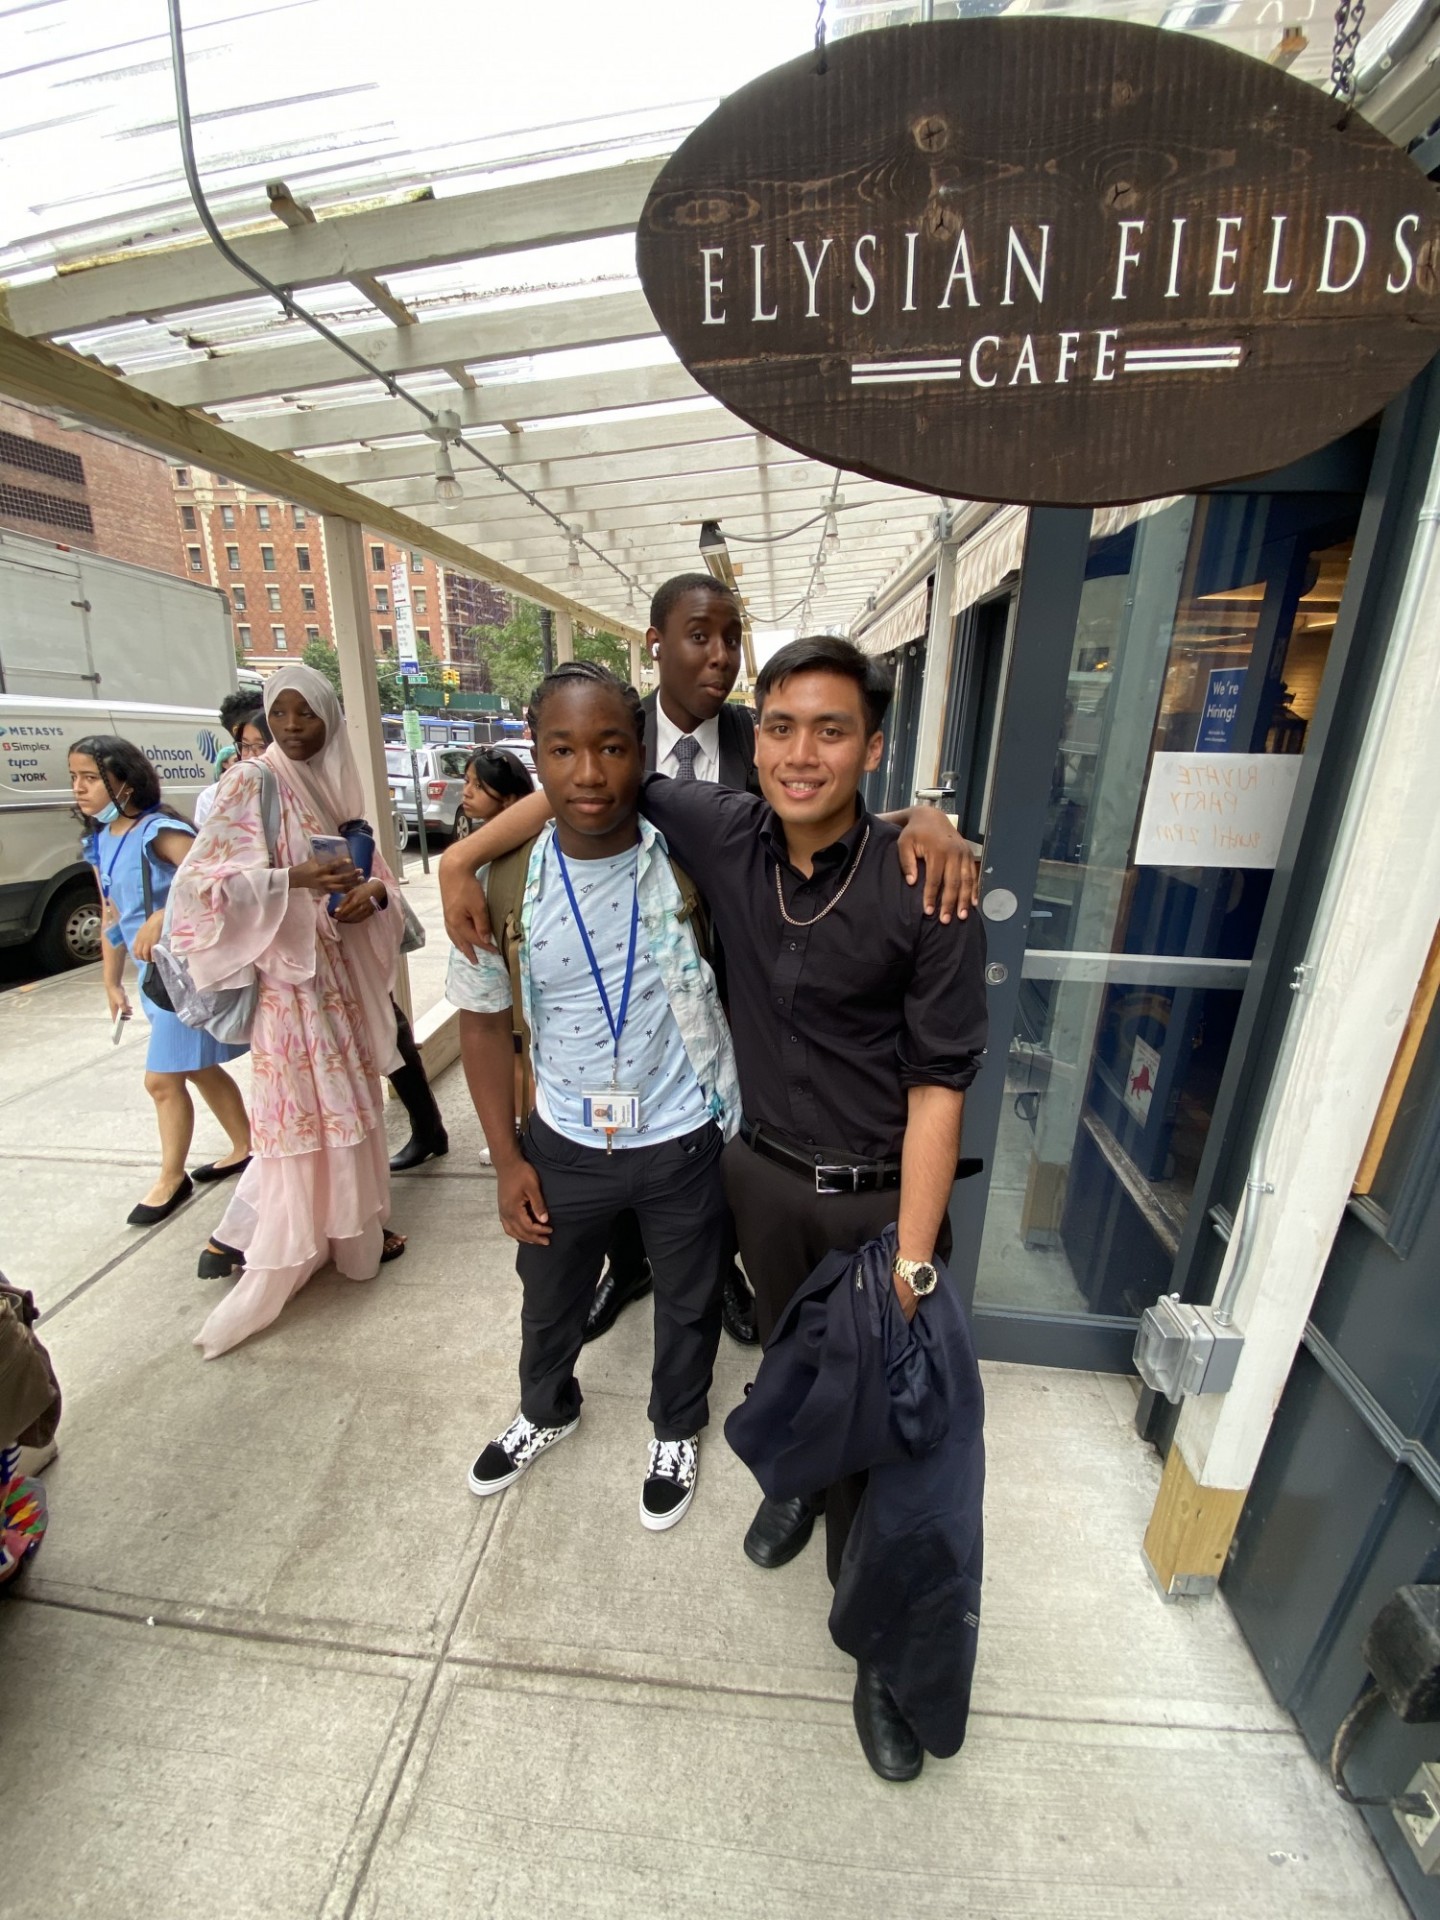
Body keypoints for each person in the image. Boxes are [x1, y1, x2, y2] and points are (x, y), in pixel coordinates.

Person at [441, 635, 985, 1779]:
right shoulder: (726, 833)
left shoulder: (924, 883)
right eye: (780, 727)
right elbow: (589, 780)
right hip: (758, 1177)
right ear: (755, 738)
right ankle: (791, 1492)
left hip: (883, 1207)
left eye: (831, 731)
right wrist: (456, 861)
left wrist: (919, 1259)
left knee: (897, 1435)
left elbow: (942, 1084)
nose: (800, 753)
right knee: (794, 1368)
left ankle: (883, 1663)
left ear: (871, 748)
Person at [445, 663, 739, 1531]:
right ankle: (547, 1408)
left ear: (641, 753)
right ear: (533, 756)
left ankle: (677, 1427)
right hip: (563, 1140)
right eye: (562, 749)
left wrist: (923, 823)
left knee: (689, 1298)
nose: (588, 774)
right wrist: (506, 1160)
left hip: (683, 1134)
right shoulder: (502, 887)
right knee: (549, 1296)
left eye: (611, 747)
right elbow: (483, 1027)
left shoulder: (690, 860)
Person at [166, 664, 407, 1359]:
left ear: (332, 717)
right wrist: (291, 879)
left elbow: (379, 873)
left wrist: (376, 897)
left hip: (335, 979)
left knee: (347, 1105)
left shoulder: (337, 783)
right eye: (283, 713)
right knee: (300, 1115)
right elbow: (197, 890)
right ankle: (279, 1239)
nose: (295, 727)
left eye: (309, 713)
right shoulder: (254, 782)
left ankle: (349, 1231)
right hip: (288, 988)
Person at [590, 572, 759, 1347]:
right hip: (628, 992)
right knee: (624, 1129)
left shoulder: (763, 741)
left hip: (736, 983)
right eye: (700, 636)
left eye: (732, 636)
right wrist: (463, 862)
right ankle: (626, 1266)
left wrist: (917, 819)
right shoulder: (615, 732)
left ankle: (718, 1265)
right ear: (654, 642)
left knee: (721, 1139)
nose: (721, 655)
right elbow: (559, 796)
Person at [69, 735, 253, 1225]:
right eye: (75, 779)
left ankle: (171, 1178)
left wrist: (162, 915)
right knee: (195, 1067)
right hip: (154, 981)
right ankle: (245, 1144)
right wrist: (110, 982)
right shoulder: (100, 840)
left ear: (124, 784)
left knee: (161, 1080)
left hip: (181, 973)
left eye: (91, 778)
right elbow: (111, 915)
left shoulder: (158, 831)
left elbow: (213, 875)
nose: (80, 789)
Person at [445, 746, 536, 1169]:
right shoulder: (477, 873)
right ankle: (518, 1130)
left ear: (512, 798)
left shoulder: (506, 864)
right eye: (466, 783)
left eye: (478, 786)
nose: (467, 793)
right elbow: (482, 1023)